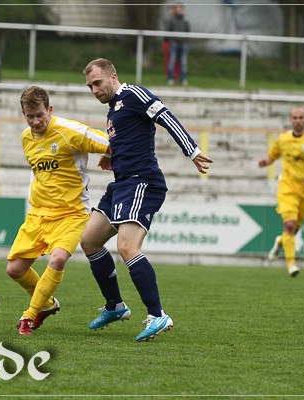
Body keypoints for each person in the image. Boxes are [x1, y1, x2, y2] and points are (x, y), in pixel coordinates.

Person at [81, 58, 213, 342]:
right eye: (90, 86)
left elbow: (165, 116)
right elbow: (128, 136)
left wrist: (192, 151)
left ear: (113, 76)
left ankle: (157, 314)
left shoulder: (133, 94)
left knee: (127, 246)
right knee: (90, 241)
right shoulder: (114, 109)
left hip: (142, 182)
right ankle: (115, 306)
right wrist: (109, 153)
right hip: (121, 185)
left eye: (97, 83)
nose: (94, 90)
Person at [6, 86, 111, 336]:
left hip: (72, 213)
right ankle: (48, 304)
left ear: (50, 109)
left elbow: (113, 143)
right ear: (24, 114)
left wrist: (109, 153)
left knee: (58, 259)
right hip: (38, 214)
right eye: (30, 116)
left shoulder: (70, 131)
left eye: (40, 115)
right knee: (15, 269)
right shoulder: (26, 138)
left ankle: (29, 315)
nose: (36, 121)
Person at [259, 107, 304, 277]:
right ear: (291, 120)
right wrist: (265, 162)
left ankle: (280, 241)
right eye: (295, 118)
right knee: (290, 225)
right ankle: (291, 264)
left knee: (292, 230)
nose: (298, 121)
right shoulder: (283, 139)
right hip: (286, 188)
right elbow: (272, 156)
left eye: (301, 117)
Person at [164, 3, 190, 86]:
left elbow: (188, 30)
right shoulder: (171, 19)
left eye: (181, 8)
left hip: (183, 44)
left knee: (183, 63)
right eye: (178, 8)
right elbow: (168, 30)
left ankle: (183, 79)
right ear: (175, 10)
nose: (180, 10)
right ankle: (170, 78)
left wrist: (185, 41)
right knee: (171, 62)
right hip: (174, 44)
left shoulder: (185, 19)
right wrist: (172, 40)